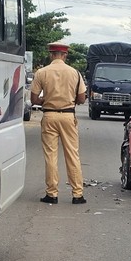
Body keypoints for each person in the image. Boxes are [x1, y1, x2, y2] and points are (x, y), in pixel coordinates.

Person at [31, 42, 88, 204]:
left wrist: (47, 100)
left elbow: (34, 99)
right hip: (68, 116)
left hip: (49, 116)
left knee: (51, 155)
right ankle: (77, 194)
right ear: (65, 55)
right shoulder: (75, 73)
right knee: (72, 154)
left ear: (51, 54)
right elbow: (82, 98)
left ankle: (52, 194)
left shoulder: (41, 72)